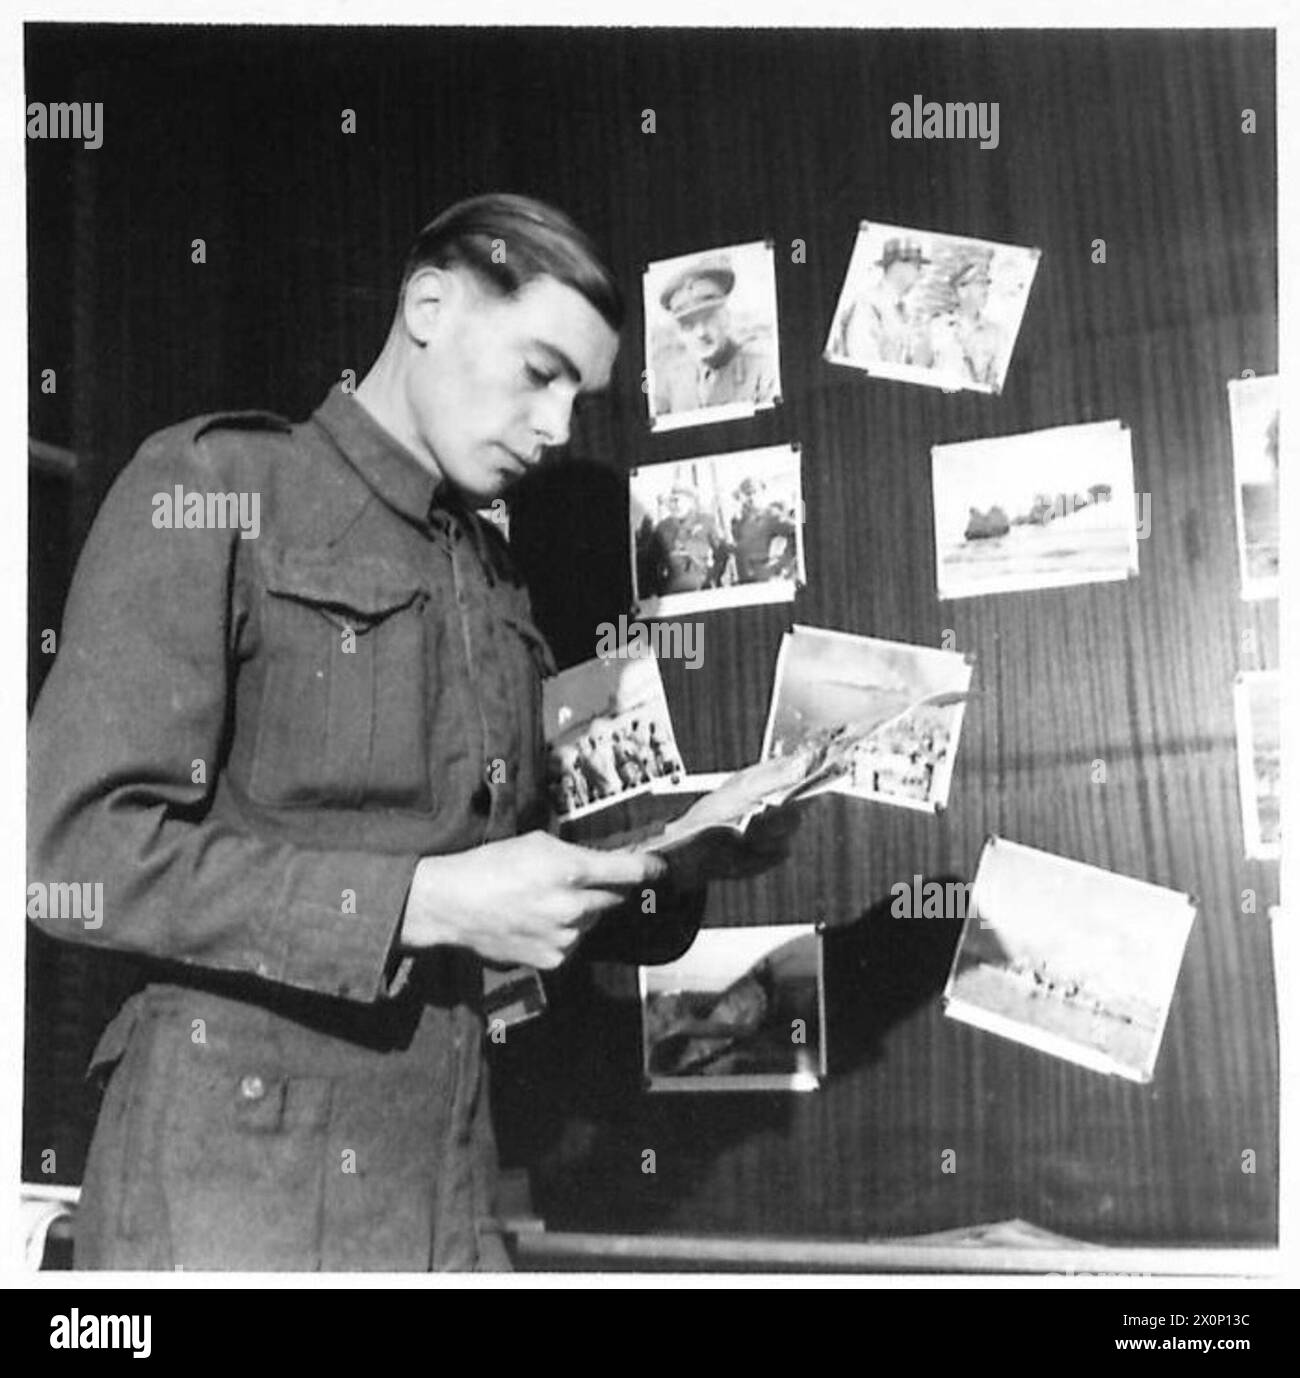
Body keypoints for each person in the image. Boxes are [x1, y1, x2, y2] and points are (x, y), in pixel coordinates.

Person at [27, 193, 797, 1271]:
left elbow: (511, 896)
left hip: (450, 1170)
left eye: (579, 392)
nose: (560, 425)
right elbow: (73, 853)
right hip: (232, 1187)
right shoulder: (216, 486)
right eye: (542, 370)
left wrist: (686, 853)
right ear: (429, 305)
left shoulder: (494, 577)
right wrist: (424, 903)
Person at [650, 259, 778, 416]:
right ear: (679, 334)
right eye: (688, 325)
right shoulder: (669, 382)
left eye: (708, 318)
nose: (701, 333)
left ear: (725, 317)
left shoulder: (764, 372)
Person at [835, 237, 933, 367]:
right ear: (900, 267)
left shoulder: (900, 309)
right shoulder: (868, 304)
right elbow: (861, 361)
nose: (920, 273)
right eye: (917, 266)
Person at [640, 484, 732, 597]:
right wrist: (660, 589)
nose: (675, 505)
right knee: (622, 615)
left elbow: (722, 554)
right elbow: (651, 563)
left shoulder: (706, 521)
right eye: (672, 500)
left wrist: (713, 577)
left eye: (679, 500)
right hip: (673, 592)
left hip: (703, 590)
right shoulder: (663, 528)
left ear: (690, 501)